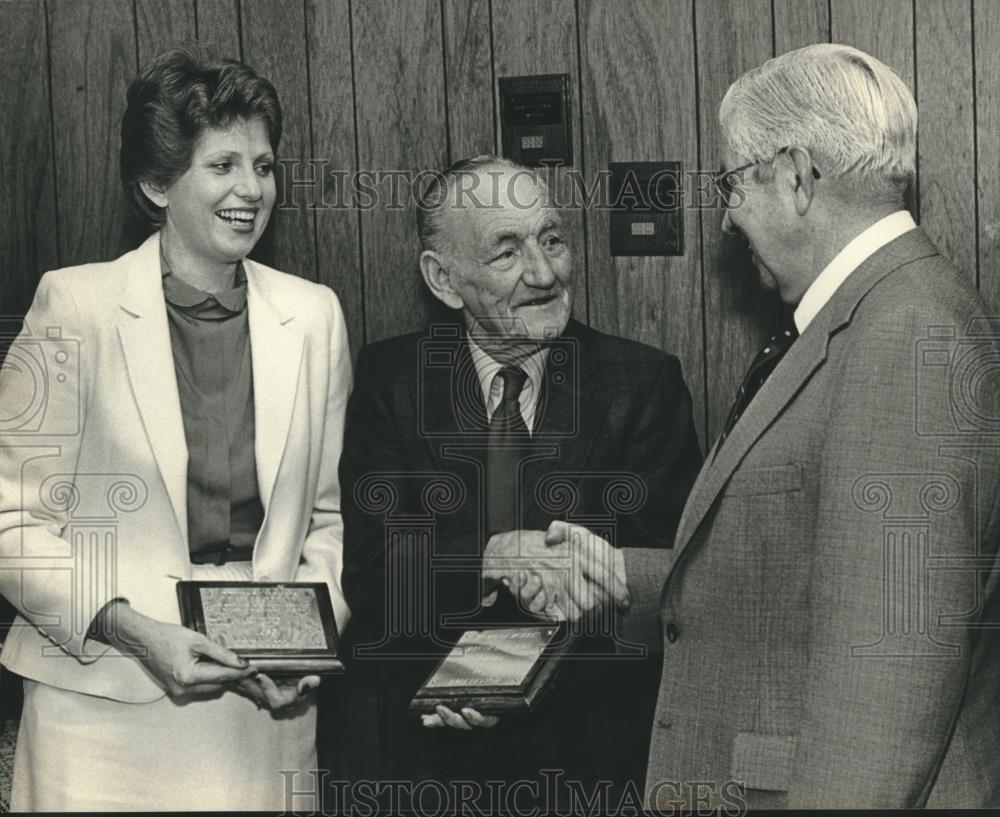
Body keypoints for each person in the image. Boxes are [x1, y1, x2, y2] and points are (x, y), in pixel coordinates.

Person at [549, 43, 1000, 809]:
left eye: (732, 183)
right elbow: (814, 567)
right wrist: (628, 576)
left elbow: (882, 692)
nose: (727, 217)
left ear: (795, 176)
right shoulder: (869, 314)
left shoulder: (906, 332)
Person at [0, 45, 351, 811]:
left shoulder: (315, 315)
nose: (251, 188)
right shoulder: (74, 306)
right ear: (158, 183)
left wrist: (308, 635)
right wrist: (130, 630)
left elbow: (323, 520)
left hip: (263, 714)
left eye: (264, 164)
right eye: (222, 164)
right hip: (102, 711)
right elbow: (11, 521)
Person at [335, 156, 702, 808]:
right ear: (443, 279)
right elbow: (373, 572)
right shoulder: (393, 383)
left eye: (552, 239)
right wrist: (489, 557)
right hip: (426, 766)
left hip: (588, 765)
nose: (544, 272)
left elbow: (661, 593)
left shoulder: (641, 386)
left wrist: (502, 677)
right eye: (507, 253)